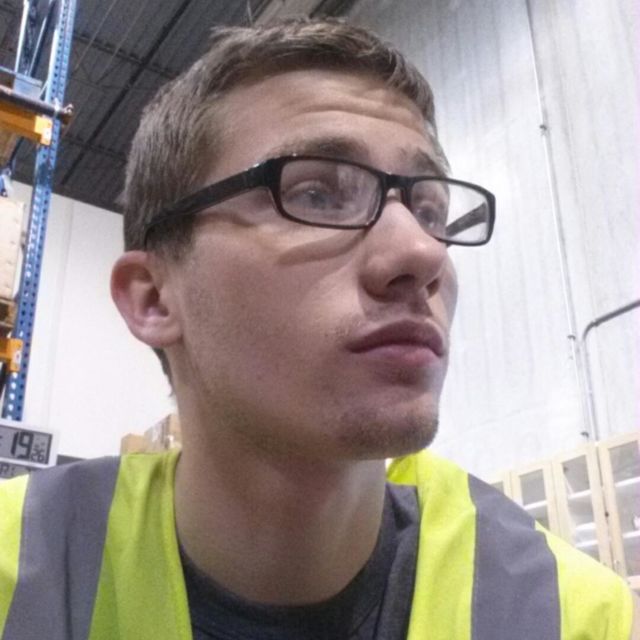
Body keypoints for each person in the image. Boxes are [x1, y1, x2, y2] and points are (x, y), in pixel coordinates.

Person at [0, 18, 637, 640]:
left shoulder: (570, 616)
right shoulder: (18, 573)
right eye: (315, 194)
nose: (421, 252)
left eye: (429, 210)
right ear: (154, 298)